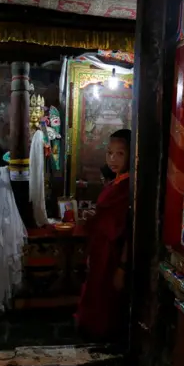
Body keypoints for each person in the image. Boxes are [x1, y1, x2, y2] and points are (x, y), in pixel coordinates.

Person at [75, 129, 131, 341]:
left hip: (113, 253)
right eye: (109, 153)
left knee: (106, 301)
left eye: (120, 154)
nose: (112, 159)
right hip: (101, 250)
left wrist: (122, 267)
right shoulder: (116, 182)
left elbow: (127, 229)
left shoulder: (129, 187)